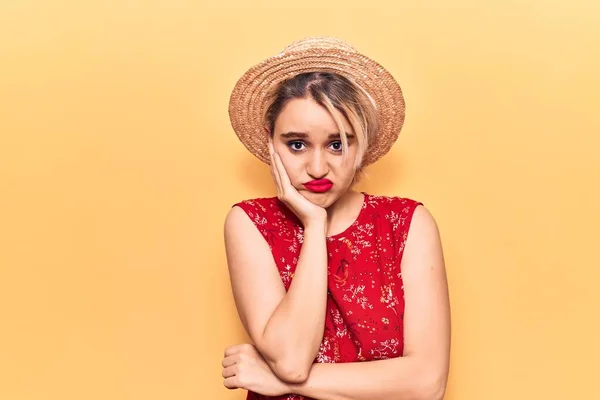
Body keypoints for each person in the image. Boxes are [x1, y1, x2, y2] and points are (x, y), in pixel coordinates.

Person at [222, 37, 451, 400]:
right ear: (270, 143)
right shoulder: (250, 222)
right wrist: (314, 225)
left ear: (363, 144)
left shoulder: (408, 223)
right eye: (297, 144)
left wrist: (279, 382)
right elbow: (292, 359)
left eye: (337, 144)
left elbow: (426, 384)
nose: (317, 168)